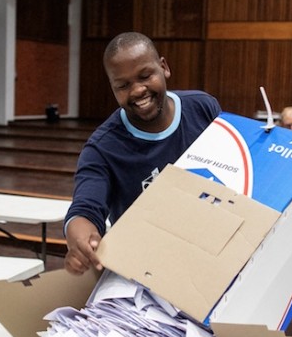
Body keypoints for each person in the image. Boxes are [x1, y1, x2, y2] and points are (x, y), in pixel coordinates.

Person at [63, 32, 221, 275]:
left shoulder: (203, 108)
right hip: (146, 269)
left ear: (164, 67)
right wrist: (83, 240)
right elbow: (85, 209)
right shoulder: (102, 148)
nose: (137, 90)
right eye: (123, 85)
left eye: (145, 76)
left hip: (211, 253)